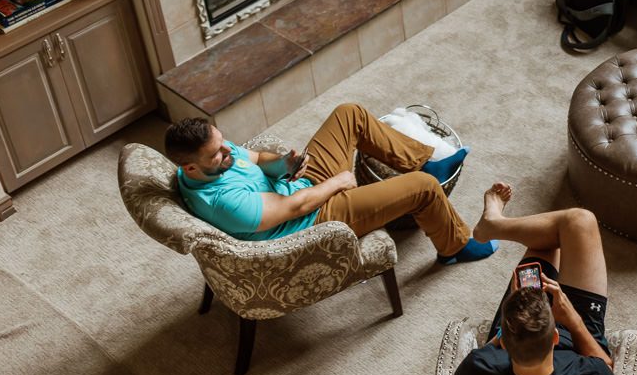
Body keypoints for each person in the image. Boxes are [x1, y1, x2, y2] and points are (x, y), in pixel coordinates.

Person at [164, 103, 497, 265]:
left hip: (299, 187)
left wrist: (284, 164)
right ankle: (454, 246)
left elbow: (255, 159)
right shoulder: (223, 203)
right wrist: (338, 181)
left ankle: (425, 161)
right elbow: (297, 207)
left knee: (349, 113)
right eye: (218, 153)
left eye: (224, 143)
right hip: (313, 221)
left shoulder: (214, 153)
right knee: (422, 187)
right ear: (191, 166)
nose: (228, 152)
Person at [451, 183, 617, 375]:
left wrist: (519, 304)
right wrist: (571, 318)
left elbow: (490, 349)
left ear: (506, 342)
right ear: (555, 338)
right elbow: (607, 366)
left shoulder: (473, 373)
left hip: (528, 333)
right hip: (579, 337)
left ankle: (492, 224)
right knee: (579, 221)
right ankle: (494, 225)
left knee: (545, 249)